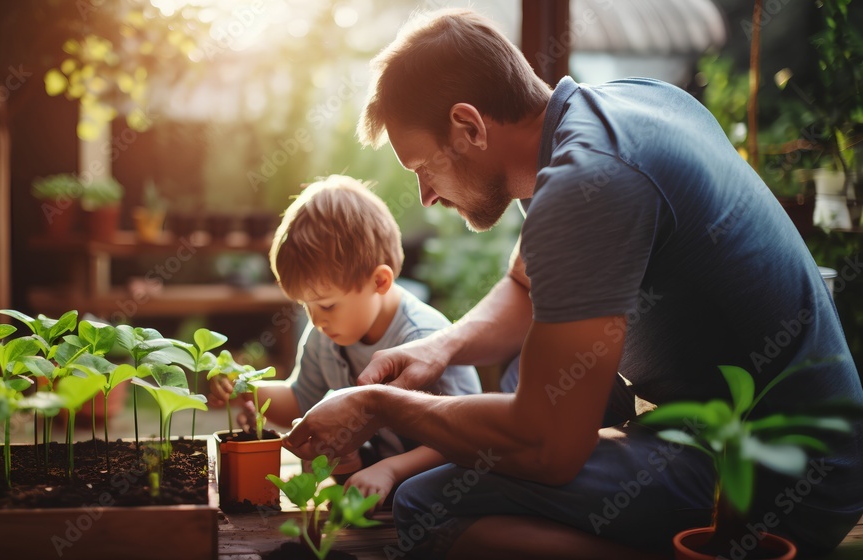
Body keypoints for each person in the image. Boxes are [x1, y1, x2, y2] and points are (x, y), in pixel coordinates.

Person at [283, 8, 863, 559]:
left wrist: (380, 404)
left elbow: (548, 450)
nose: (427, 196)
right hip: (762, 438)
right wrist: (442, 346)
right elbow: (524, 288)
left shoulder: (590, 180)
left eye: (423, 168)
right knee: (524, 375)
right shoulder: (607, 116)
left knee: (428, 507)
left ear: (468, 126)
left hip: (778, 481)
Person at [208, 174, 481, 489]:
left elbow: (464, 437)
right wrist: (246, 387)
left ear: (379, 282)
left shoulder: (423, 340)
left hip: (451, 489)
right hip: (378, 486)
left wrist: (390, 471)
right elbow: (300, 399)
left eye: (326, 305)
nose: (315, 320)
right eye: (305, 306)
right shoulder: (325, 337)